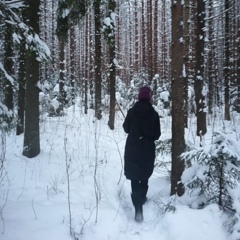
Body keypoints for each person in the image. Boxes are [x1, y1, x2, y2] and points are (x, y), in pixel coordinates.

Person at [123, 86, 161, 222]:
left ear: (139, 96)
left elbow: (126, 128)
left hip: (133, 147)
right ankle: (143, 197)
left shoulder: (131, 112)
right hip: (147, 149)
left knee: (134, 176)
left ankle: (138, 208)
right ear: (150, 97)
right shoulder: (154, 114)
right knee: (144, 174)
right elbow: (157, 135)